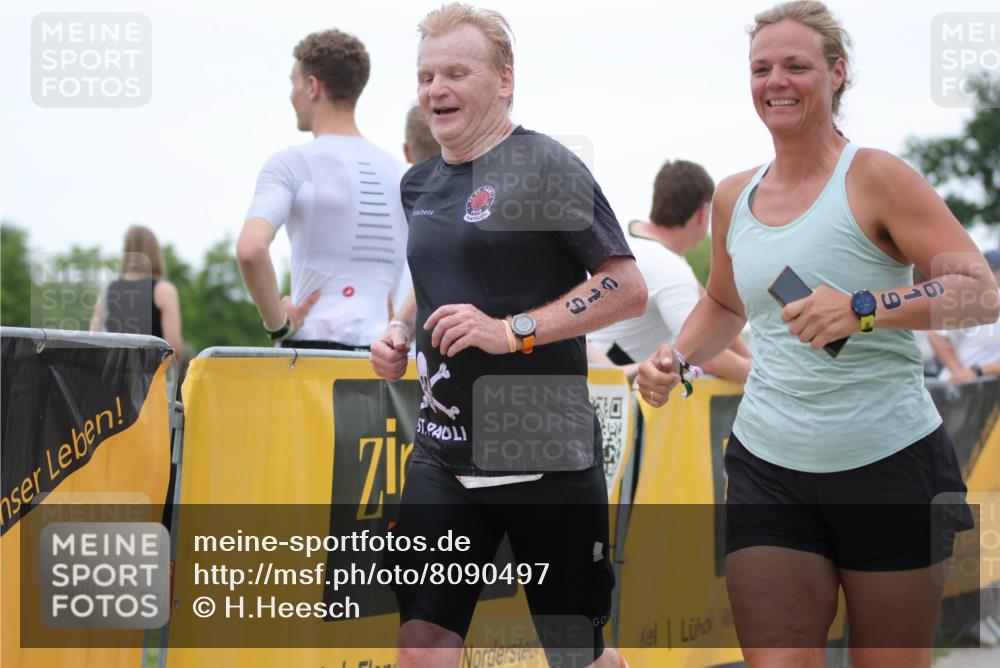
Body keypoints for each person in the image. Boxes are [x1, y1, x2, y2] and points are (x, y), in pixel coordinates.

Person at [636, 2, 996, 666]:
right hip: (769, 467)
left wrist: (863, 307)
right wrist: (675, 358)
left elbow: (980, 290)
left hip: (890, 465)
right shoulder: (732, 197)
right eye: (761, 68)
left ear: (836, 74)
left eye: (796, 66)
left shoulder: (877, 176)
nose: (777, 80)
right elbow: (722, 303)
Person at [370, 4, 645, 667]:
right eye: (426, 75)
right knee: (423, 644)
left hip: (543, 457)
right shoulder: (418, 184)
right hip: (443, 457)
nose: (436, 89)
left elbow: (623, 282)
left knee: (575, 652)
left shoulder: (546, 166)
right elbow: (439, 274)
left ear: (504, 80)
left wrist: (513, 331)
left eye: (456, 72)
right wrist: (398, 329)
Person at [236, 29, 409, 350]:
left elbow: (250, 249)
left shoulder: (291, 163)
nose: (291, 94)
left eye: (294, 82)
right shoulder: (402, 172)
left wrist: (279, 325)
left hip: (311, 354)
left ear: (313, 86)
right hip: (385, 355)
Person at [589, 160, 751, 385]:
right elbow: (702, 355)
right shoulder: (668, 267)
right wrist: (759, 375)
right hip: (612, 398)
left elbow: (715, 306)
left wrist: (749, 357)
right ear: (703, 213)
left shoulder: (630, 244)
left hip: (586, 381)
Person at [90, 225, 184, 362]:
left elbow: (93, 339)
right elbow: (174, 345)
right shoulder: (164, 290)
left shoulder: (107, 290)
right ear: (155, 252)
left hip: (111, 377)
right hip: (151, 378)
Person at [929, 249, 1000, 383]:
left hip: (988, 388)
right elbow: (936, 335)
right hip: (958, 390)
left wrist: (978, 372)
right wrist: (959, 372)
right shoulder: (977, 300)